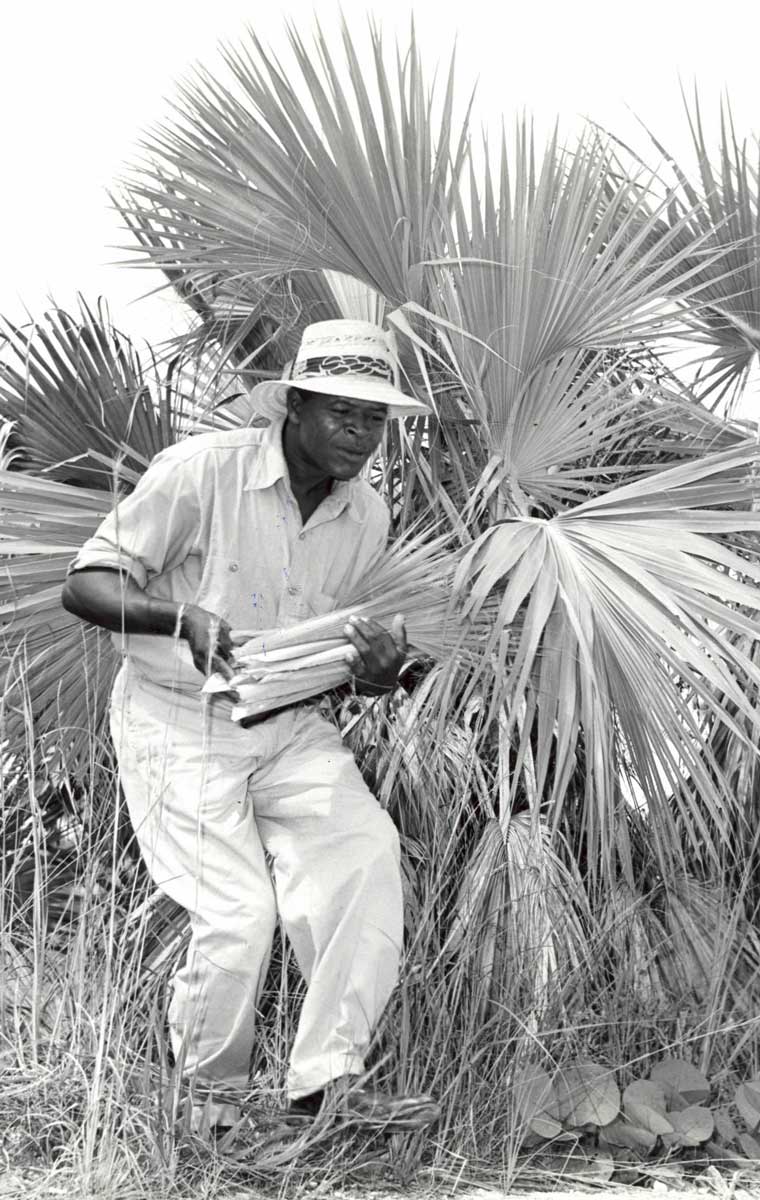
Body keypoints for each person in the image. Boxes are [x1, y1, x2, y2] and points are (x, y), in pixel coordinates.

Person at [61, 319, 439, 1139]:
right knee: (237, 914)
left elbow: (331, 652)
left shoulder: (365, 513)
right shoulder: (203, 471)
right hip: (179, 719)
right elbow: (86, 585)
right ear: (295, 405)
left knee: (365, 858)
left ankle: (326, 1083)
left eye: (375, 419)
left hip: (290, 724)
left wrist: (378, 673)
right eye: (343, 411)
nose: (361, 433)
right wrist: (177, 616)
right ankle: (207, 1108)